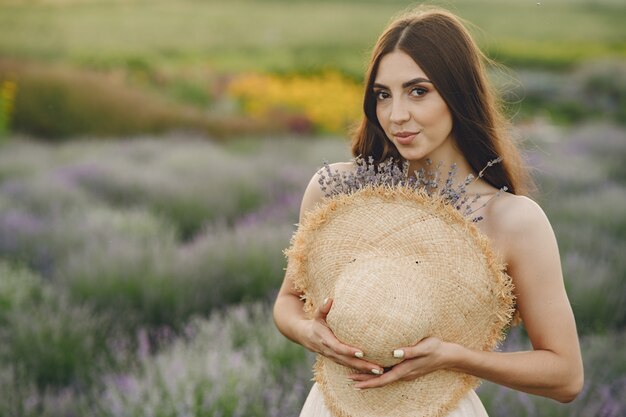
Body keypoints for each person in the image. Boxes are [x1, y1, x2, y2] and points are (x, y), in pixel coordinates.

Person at [273, 6, 583, 416]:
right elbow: (287, 302)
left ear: (458, 94)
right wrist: (309, 332)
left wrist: (455, 357)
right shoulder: (338, 193)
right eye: (383, 95)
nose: (396, 115)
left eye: (418, 91)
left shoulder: (512, 221)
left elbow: (566, 376)